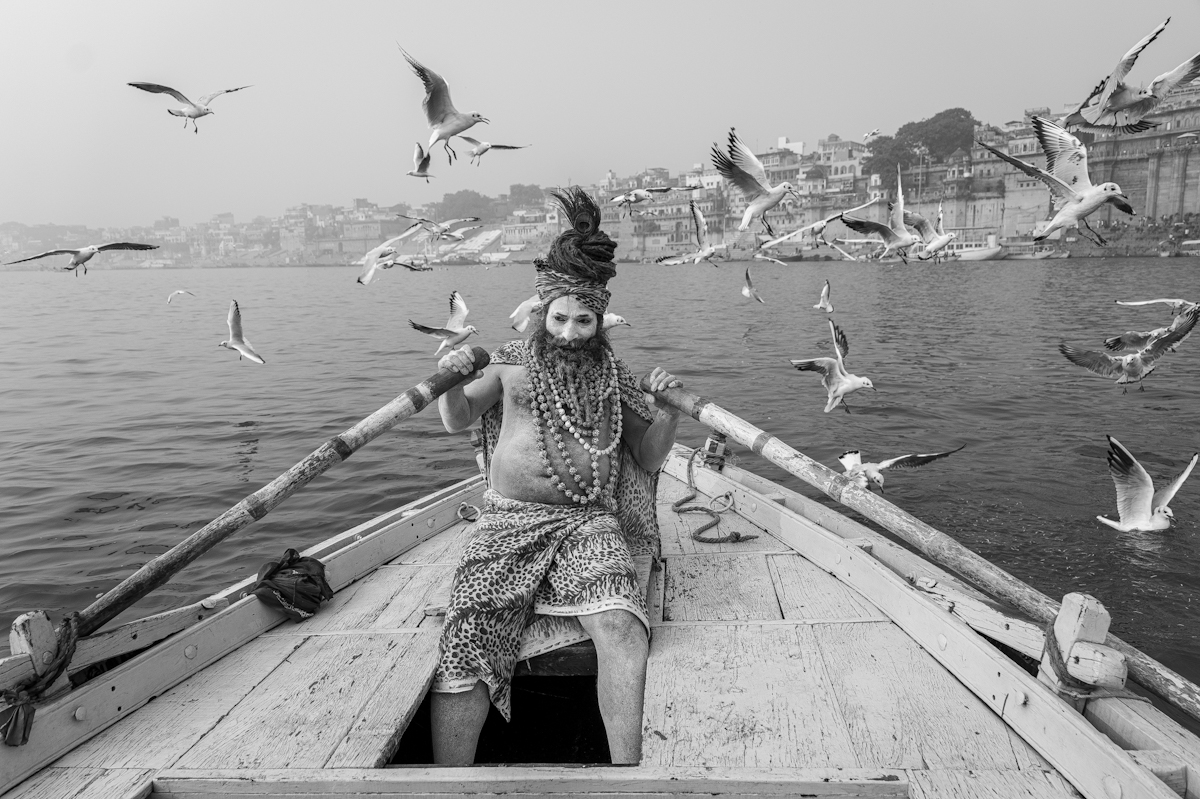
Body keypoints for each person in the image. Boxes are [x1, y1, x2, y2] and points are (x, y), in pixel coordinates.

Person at [430, 187, 683, 765]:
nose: (570, 332)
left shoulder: (613, 377)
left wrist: (667, 412)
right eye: (559, 318)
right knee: (465, 641)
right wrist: (446, 381)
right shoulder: (509, 367)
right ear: (543, 316)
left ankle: (627, 775)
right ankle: (449, 784)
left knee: (622, 625)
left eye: (583, 321)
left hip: (588, 524)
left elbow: (646, 458)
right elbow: (459, 419)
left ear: (600, 323)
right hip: (507, 526)